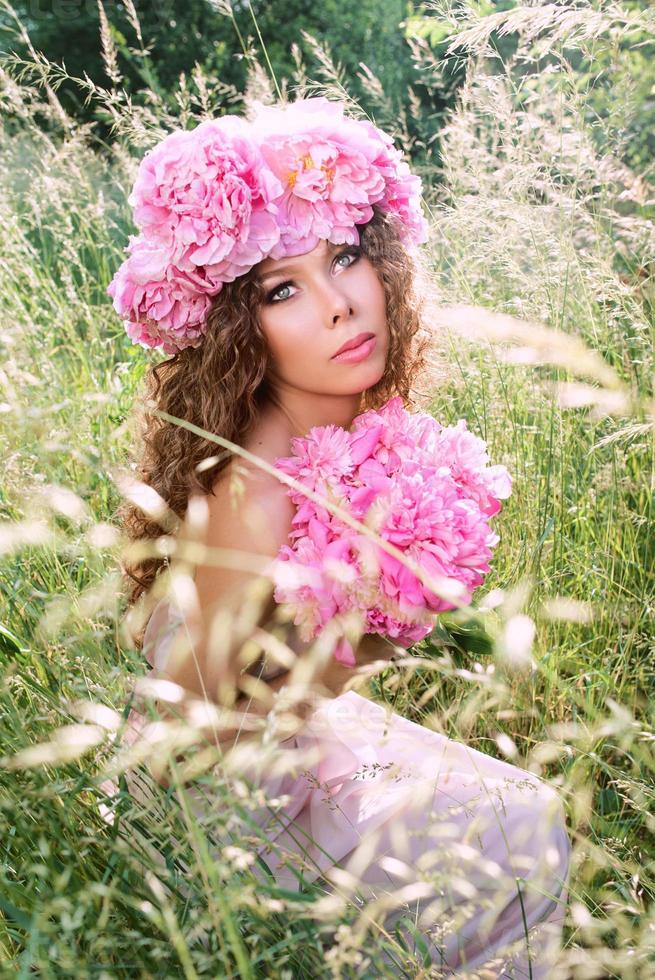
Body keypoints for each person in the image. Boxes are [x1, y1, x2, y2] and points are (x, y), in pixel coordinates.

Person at [108, 96, 571, 976]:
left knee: (518, 814)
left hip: (298, 727)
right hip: (232, 800)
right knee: (519, 826)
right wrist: (357, 631)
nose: (338, 306)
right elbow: (193, 731)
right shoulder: (255, 484)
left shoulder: (340, 428)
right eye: (283, 288)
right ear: (240, 328)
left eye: (345, 258)